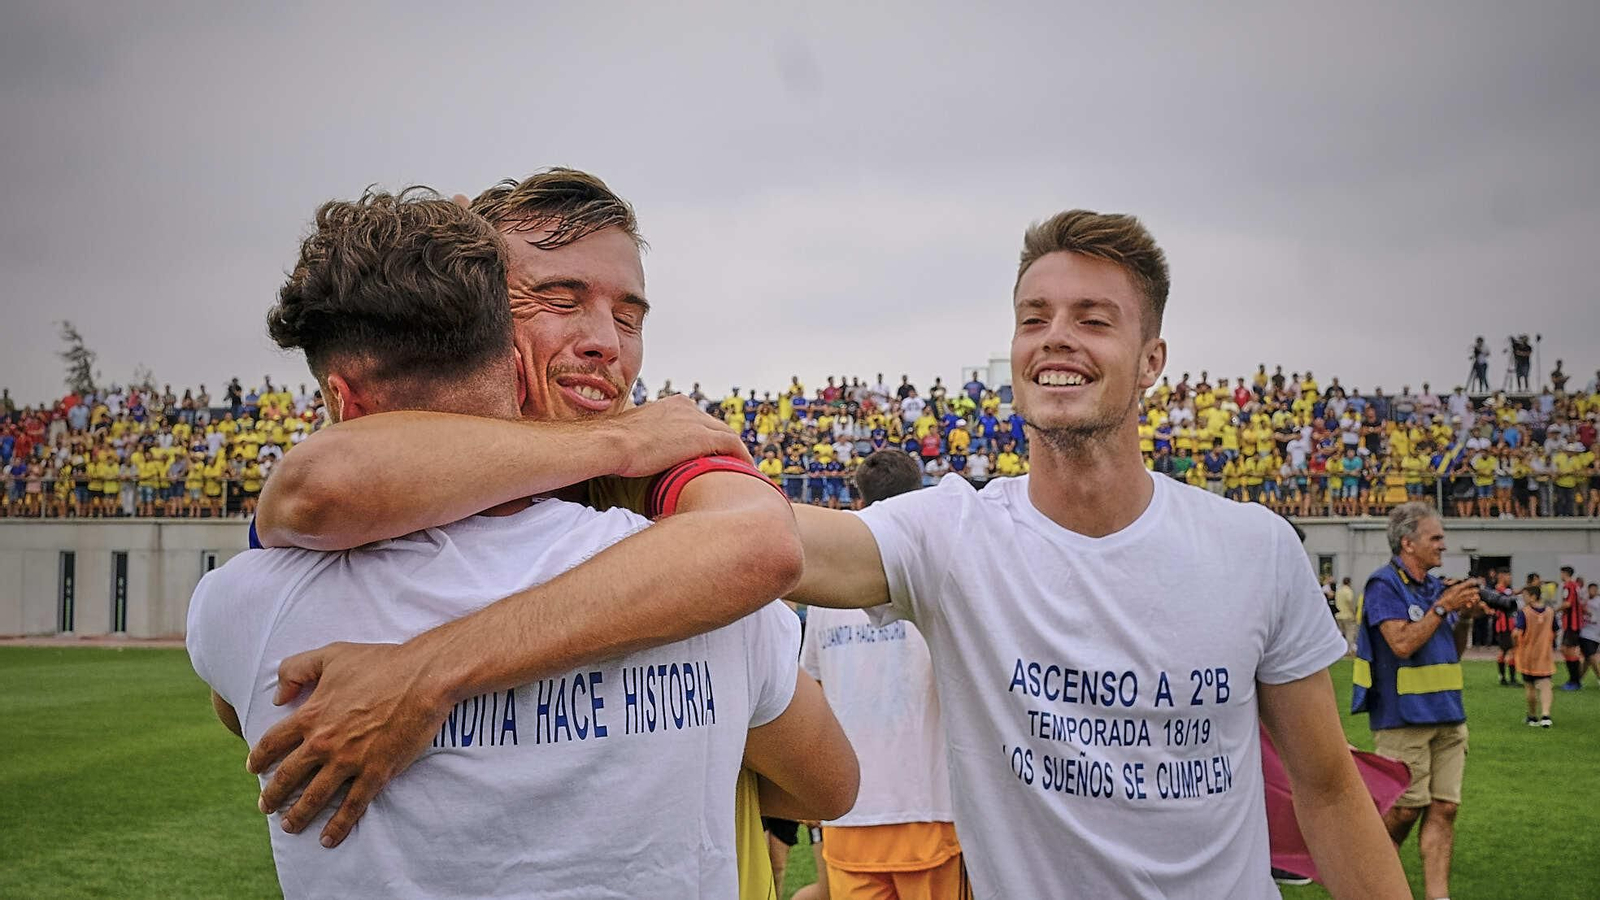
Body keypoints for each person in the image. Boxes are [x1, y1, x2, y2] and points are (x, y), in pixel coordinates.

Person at [245, 208, 1407, 898]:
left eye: (1094, 320)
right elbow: (759, 547)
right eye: (1034, 317)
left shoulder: (1252, 549)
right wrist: (593, 448)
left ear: (1153, 360)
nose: (1056, 340)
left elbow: (1326, 787)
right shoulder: (952, 535)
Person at [187, 188, 856, 898]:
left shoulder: (687, 514)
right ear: (488, 325)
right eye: (560, 299)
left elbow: (760, 545)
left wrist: (426, 672)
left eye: (629, 314)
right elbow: (318, 485)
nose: (606, 340)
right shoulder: (649, 481)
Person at [799, 449, 967, 900]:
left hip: (850, 814)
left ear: (859, 501)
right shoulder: (941, 574)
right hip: (930, 809)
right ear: (919, 498)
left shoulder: (823, 593)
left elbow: (811, 692)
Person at [1351, 502, 1486, 900]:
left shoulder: (1433, 586)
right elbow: (1403, 643)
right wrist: (1443, 607)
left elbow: (1451, 651)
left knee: (1445, 808)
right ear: (1408, 543)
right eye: (1436, 538)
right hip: (1402, 718)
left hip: (1447, 713)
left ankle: (1437, 896)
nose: (1443, 545)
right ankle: (1370, 881)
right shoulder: (1383, 585)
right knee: (1405, 810)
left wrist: (1463, 618)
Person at [1512, 585, 1555, 726]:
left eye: (1525, 596)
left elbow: (1517, 633)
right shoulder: (1550, 612)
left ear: (1533, 596)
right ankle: (1546, 715)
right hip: (1545, 654)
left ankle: (1532, 716)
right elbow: (1556, 630)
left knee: (1530, 686)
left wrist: (1515, 643)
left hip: (1527, 655)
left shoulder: (1524, 612)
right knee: (1546, 685)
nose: (1523, 599)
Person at [1557, 565, 1585, 690]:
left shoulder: (1568, 586)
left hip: (1571, 624)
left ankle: (1575, 681)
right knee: (1565, 649)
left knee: (1569, 651)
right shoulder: (1576, 586)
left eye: (1561, 573)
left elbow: (1567, 603)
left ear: (1565, 573)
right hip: (1574, 623)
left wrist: (1554, 610)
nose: (1560, 576)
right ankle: (1574, 680)